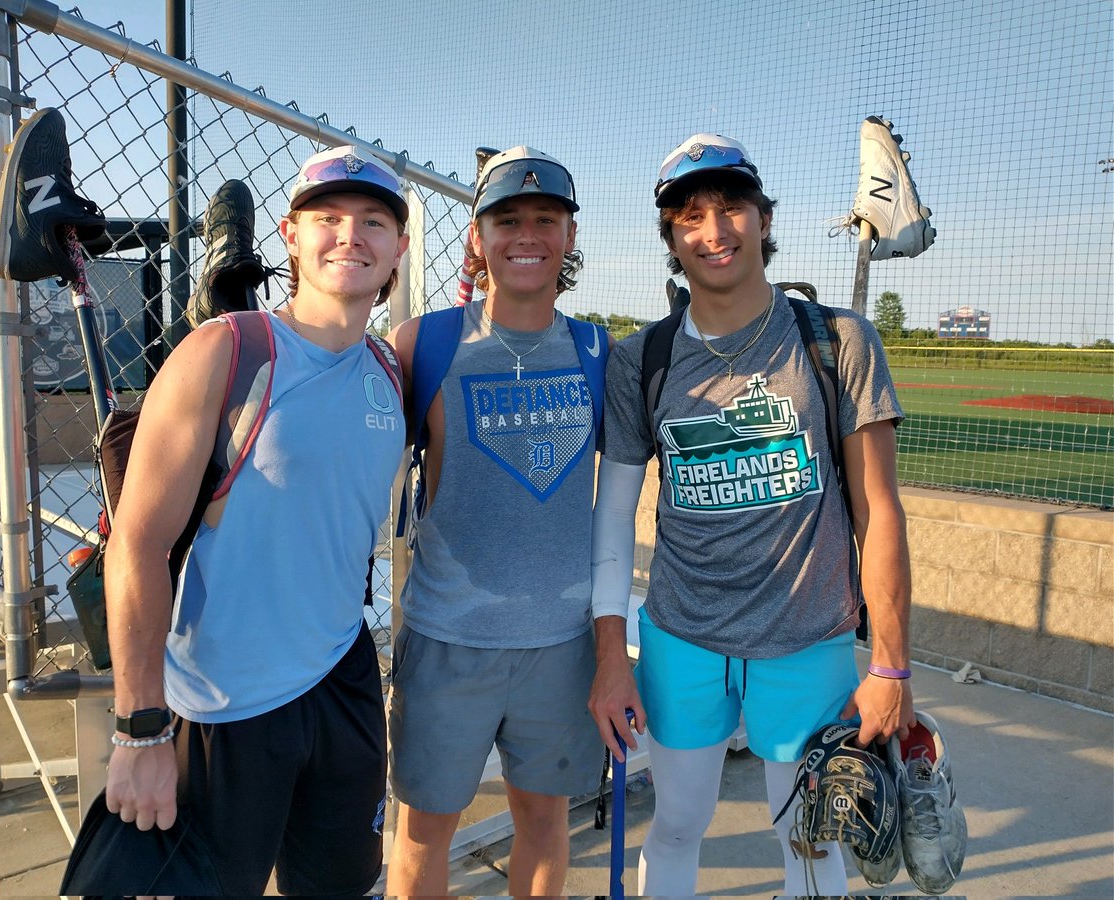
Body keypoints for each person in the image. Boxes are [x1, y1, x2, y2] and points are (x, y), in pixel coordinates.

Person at [587, 133, 917, 896]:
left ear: (764, 218)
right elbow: (612, 520)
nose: (714, 229)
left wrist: (893, 664)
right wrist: (611, 652)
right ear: (670, 237)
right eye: (690, 214)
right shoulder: (644, 360)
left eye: (732, 206)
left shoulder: (836, 340)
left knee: (811, 845)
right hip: (682, 635)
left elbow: (881, 514)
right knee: (675, 824)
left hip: (806, 637)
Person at [103, 144, 409, 895]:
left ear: (399, 248)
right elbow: (137, 545)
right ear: (290, 235)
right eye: (327, 218)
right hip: (222, 702)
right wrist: (140, 729)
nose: (350, 235)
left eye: (373, 221)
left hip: (343, 678)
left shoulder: (390, 371)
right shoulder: (227, 351)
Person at [386, 147, 611, 895]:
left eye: (545, 219)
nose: (527, 234)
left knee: (545, 823)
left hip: (559, 643)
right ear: (478, 237)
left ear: (569, 237)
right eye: (507, 218)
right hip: (450, 640)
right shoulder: (427, 344)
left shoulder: (597, 351)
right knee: (422, 837)